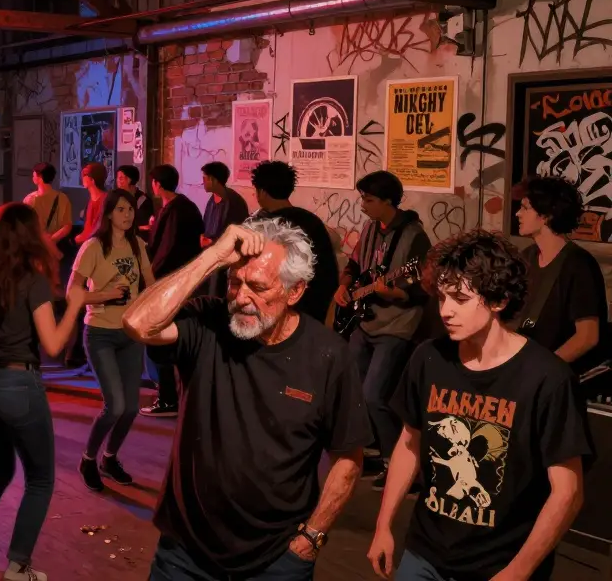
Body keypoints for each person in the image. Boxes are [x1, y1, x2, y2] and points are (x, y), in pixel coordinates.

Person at [123, 219, 371, 581]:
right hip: (185, 553)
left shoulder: (327, 356)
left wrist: (311, 539)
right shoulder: (208, 322)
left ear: (295, 291)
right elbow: (138, 323)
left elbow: (348, 459)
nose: (241, 298)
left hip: (275, 561)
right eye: (235, 282)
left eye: (257, 287)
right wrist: (212, 257)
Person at [368, 230, 591, 581]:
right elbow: (410, 443)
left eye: (460, 298)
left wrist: (518, 571)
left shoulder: (547, 378)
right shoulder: (428, 358)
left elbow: (568, 492)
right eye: (442, 297)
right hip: (424, 554)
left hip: (500, 565)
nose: (446, 310)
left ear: (498, 299)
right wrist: (383, 526)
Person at [0, 202, 88, 581]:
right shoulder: (33, 281)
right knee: (40, 478)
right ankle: (18, 566)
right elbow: (53, 344)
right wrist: (75, 306)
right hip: (18, 383)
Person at [334, 170, 431, 487]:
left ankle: (399, 464)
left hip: (397, 325)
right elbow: (354, 265)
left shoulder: (414, 236)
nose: (363, 205)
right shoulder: (370, 228)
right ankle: (369, 451)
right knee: (352, 390)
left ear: (388, 201)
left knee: (374, 395)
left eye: (369, 199)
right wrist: (344, 285)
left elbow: (424, 288)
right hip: (366, 320)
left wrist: (395, 293)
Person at [68, 189, 155, 491]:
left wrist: (154, 307)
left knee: (130, 408)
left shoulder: (138, 245)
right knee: (115, 405)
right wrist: (106, 295)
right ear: (108, 214)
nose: (127, 215)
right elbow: (73, 294)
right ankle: (88, 459)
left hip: (130, 333)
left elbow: (150, 284)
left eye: (130, 209)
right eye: (120, 209)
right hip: (100, 333)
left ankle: (109, 458)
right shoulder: (93, 247)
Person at [513, 175, 607, 372]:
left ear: (546, 215)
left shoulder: (578, 265)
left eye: (525, 208)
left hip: (558, 377)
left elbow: (587, 337)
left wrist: (543, 369)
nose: (517, 214)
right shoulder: (526, 258)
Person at [140, 163, 204, 418]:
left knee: (160, 341)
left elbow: (167, 250)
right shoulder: (182, 207)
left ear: (157, 184)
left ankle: (168, 398)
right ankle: (177, 396)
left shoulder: (176, 210)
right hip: (182, 284)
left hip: (169, 285)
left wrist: (150, 279)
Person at [250, 161, 338, 324]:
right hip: (315, 310)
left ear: (261, 192)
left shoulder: (268, 226)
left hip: (282, 313)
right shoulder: (312, 221)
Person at [199, 161, 250, 297]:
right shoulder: (211, 201)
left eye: (205, 178)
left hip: (225, 261)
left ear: (213, 180)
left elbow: (238, 233)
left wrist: (214, 242)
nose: (202, 182)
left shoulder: (234, 202)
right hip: (211, 256)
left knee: (217, 294)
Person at [23, 162, 73, 249]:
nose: (33, 178)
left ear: (40, 177)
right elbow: (67, 226)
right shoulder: (62, 198)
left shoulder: (29, 199)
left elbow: (24, 226)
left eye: (34, 175)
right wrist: (52, 239)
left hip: (36, 247)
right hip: (55, 247)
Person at [115, 164, 154, 239]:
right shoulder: (116, 197)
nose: (118, 181)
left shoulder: (143, 200)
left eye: (121, 178)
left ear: (129, 180)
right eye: (117, 178)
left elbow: (145, 226)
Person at [75, 162, 108, 245]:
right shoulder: (91, 200)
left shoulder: (105, 200)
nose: (82, 178)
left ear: (92, 180)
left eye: (85, 175)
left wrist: (82, 238)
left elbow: (98, 229)